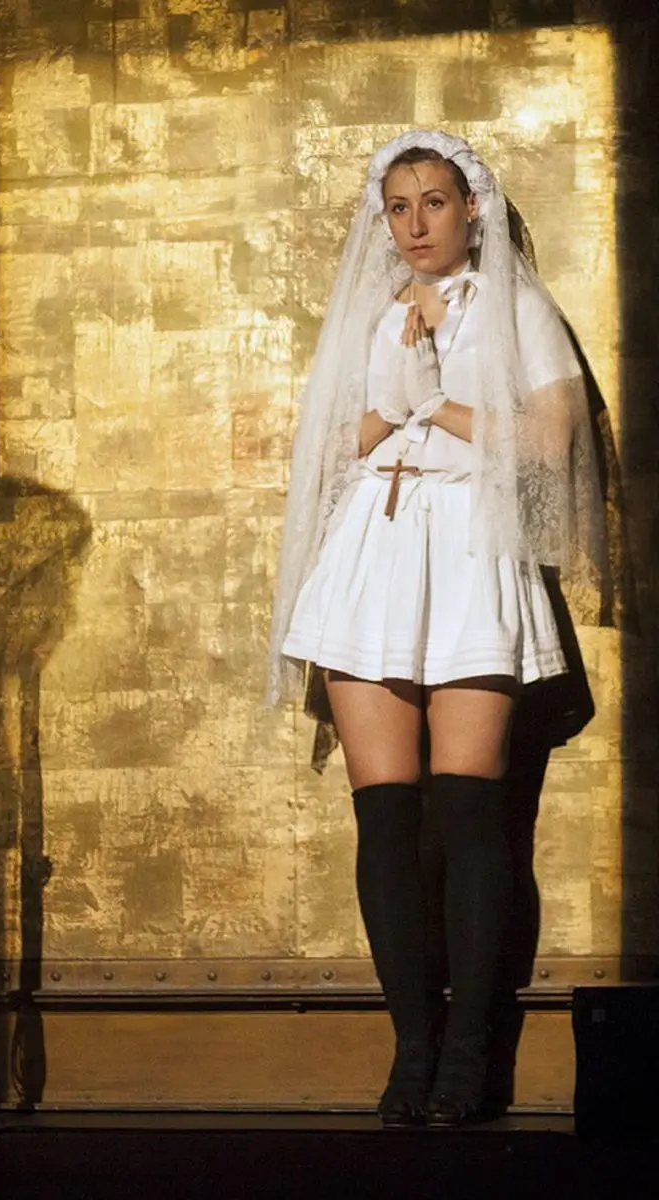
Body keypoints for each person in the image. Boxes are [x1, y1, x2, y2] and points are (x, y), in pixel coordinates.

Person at [268, 130, 606, 1128]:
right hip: (375, 552)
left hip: (467, 548)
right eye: (400, 206)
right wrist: (388, 407)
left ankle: (470, 1055)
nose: (416, 224)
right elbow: (335, 443)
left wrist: (441, 406)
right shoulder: (372, 310)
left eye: (435, 203)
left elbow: (551, 438)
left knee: (471, 814)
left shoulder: (514, 304)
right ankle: (411, 1047)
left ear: (471, 209)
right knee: (385, 821)